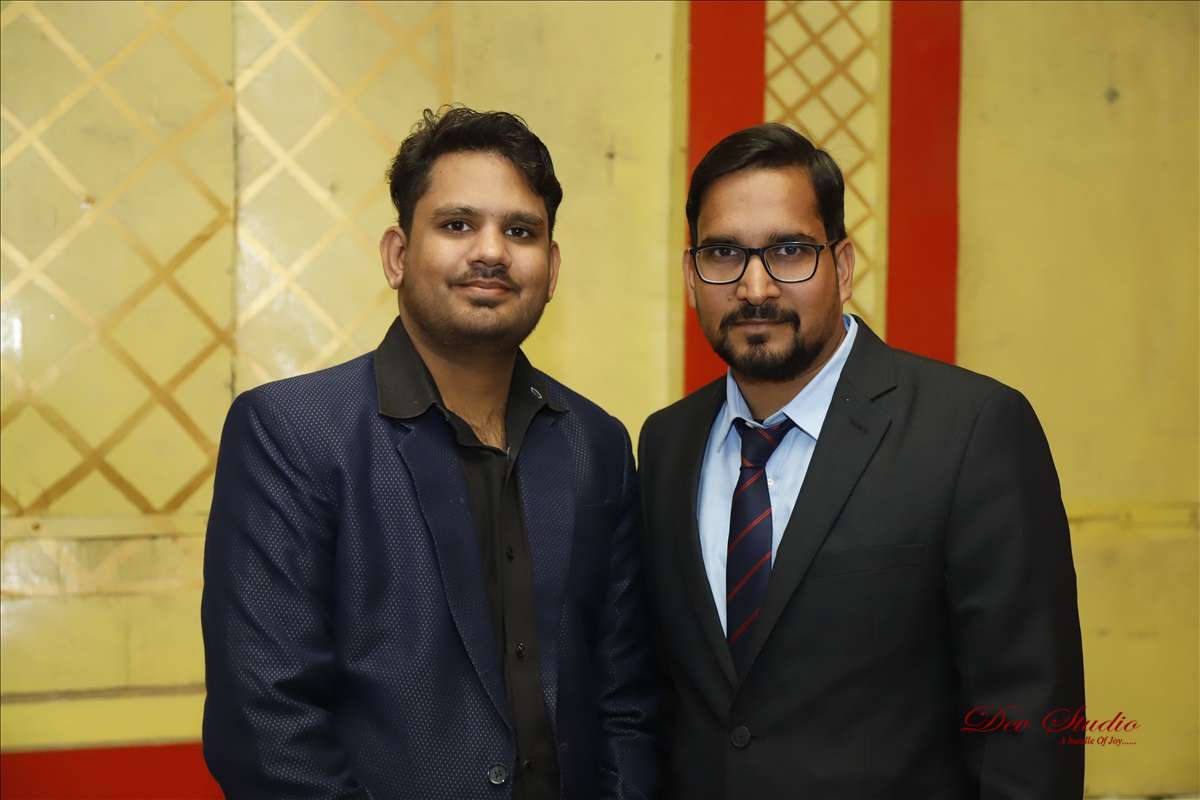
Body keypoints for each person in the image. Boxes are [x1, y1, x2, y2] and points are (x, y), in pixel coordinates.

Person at [202, 106, 657, 800]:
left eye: (521, 231)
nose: (491, 251)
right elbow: (266, 728)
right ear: (397, 255)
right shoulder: (294, 433)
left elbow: (625, 696)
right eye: (457, 224)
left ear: (552, 267)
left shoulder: (596, 443)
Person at [638, 123, 1084, 798]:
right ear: (690, 275)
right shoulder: (667, 444)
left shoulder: (970, 430)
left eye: (789, 251)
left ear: (843, 266)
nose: (755, 287)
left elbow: (1029, 721)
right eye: (723, 253)